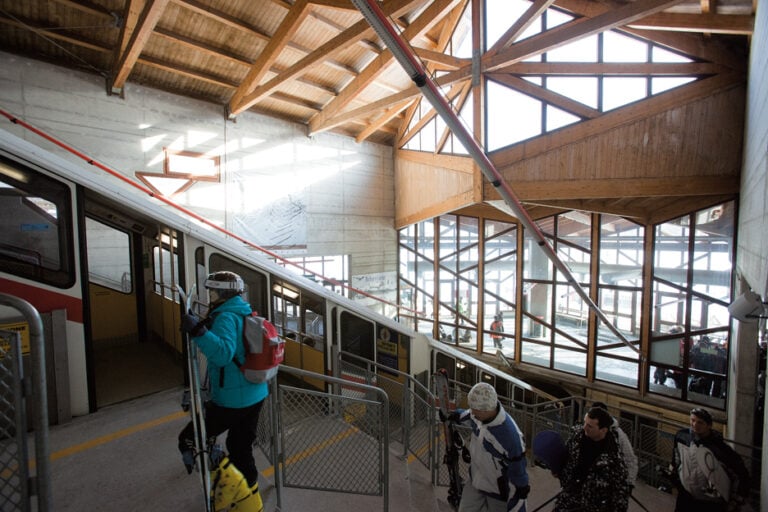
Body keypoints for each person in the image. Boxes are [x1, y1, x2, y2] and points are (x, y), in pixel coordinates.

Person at [179, 271, 267, 511]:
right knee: (240, 446)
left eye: (213, 291)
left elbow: (223, 353)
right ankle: (250, 502)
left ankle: (226, 484)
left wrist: (198, 332)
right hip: (255, 392)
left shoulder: (226, 316)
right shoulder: (242, 310)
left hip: (233, 399)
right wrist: (203, 327)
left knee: (190, 437)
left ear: (222, 293)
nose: (210, 295)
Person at [445, 382, 529, 512]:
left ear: (487, 409)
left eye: (475, 409)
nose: (472, 412)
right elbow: (468, 415)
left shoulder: (510, 437)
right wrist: (455, 415)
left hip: (497, 490)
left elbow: (518, 471)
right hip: (476, 479)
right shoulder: (479, 415)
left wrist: (519, 499)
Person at [671, 407, 750, 512]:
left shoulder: (722, 450)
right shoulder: (681, 436)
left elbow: (741, 475)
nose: (695, 425)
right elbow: (676, 459)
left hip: (710, 503)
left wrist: (734, 501)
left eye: (700, 422)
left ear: (709, 425)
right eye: (693, 420)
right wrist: (676, 478)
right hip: (686, 496)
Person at [553, 406, 630, 512]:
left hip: (592, 507)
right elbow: (566, 454)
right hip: (569, 498)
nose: (584, 427)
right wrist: (557, 468)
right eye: (585, 422)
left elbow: (620, 495)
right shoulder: (577, 437)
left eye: (590, 426)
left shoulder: (614, 459)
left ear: (603, 430)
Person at [591, 401, 638, 489]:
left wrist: (629, 483)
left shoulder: (618, 435)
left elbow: (630, 458)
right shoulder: (587, 430)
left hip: (610, 483)